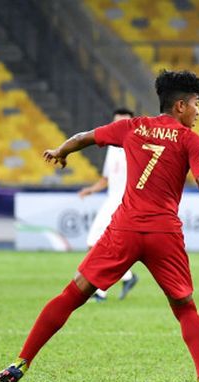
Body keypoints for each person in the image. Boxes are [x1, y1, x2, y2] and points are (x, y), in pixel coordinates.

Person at [0, 70, 199, 382]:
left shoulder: (132, 127)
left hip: (124, 229)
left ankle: (20, 363)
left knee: (72, 294)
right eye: (197, 104)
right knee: (185, 308)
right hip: (163, 234)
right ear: (181, 105)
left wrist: (62, 151)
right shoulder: (189, 139)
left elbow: (85, 136)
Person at [78, 108, 139, 302]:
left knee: (97, 243)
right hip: (111, 200)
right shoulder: (112, 148)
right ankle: (127, 277)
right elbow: (106, 179)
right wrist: (91, 190)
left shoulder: (137, 147)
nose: (118, 126)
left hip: (125, 203)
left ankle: (100, 290)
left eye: (123, 122)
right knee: (100, 244)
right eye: (116, 122)